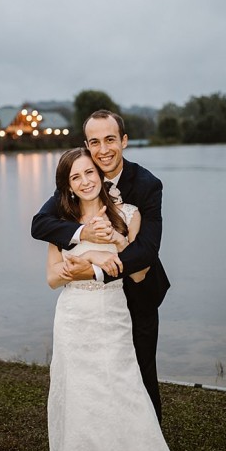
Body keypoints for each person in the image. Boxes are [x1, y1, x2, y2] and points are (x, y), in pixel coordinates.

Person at [42, 147, 203, 451]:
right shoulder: (58, 223)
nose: (85, 180)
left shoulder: (128, 213)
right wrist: (83, 260)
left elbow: (138, 267)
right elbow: (51, 278)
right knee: (81, 403)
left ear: (99, 174)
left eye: (89, 173)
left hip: (112, 318)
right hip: (73, 320)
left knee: (126, 397)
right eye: (75, 176)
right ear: (67, 185)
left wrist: (102, 253)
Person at [32, 109, 169, 422]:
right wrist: (83, 234)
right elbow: (40, 224)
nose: (103, 149)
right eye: (95, 142)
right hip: (91, 306)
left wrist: (94, 270)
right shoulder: (82, 175)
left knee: (141, 374)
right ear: (87, 145)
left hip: (139, 290)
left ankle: (149, 447)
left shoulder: (147, 185)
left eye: (110, 140)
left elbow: (147, 251)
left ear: (124, 141)